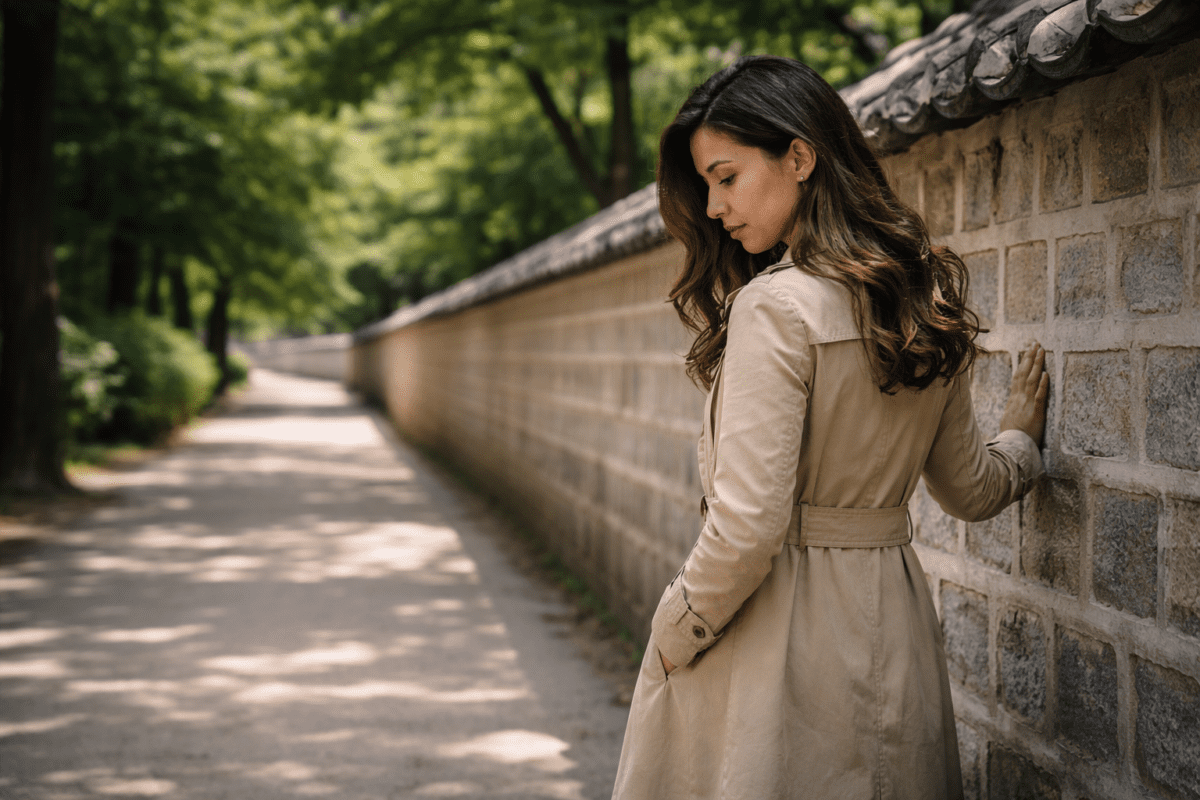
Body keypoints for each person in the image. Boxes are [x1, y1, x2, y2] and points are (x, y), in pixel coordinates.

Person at [611, 55, 1048, 800]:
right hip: (895, 630)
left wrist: (677, 628)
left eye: (726, 176)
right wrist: (1024, 444)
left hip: (774, 637)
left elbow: (748, 526)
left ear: (800, 156)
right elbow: (971, 489)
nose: (714, 208)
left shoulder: (773, 310)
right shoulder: (920, 295)